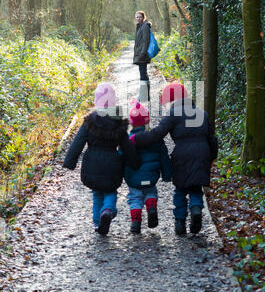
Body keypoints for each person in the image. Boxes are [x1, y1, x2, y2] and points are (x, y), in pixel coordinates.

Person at [129, 83, 218, 235]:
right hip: (202, 154)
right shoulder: (202, 113)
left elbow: (156, 134)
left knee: (180, 190)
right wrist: (212, 157)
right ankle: (196, 210)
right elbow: (212, 139)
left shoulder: (173, 115)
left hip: (182, 156)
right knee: (196, 188)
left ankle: (180, 223)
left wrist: (135, 139)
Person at [62, 83, 141, 235]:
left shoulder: (90, 121)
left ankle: (98, 223)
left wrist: (69, 162)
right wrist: (135, 162)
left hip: (92, 164)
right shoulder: (118, 122)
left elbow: (78, 142)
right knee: (110, 191)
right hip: (112, 164)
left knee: (97, 193)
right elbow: (126, 146)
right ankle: (108, 211)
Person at [123, 99, 172, 234]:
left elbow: (120, 158)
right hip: (151, 177)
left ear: (131, 122)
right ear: (147, 121)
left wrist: (117, 175)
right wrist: (167, 175)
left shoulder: (127, 141)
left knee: (135, 198)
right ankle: (151, 207)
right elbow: (164, 157)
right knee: (151, 192)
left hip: (133, 178)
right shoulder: (155, 138)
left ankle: (136, 223)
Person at [133, 11, 151, 102]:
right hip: (141, 54)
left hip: (142, 55)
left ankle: (144, 95)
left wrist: (142, 54)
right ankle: (145, 95)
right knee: (143, 74)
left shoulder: (145, 26)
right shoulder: (140, 26)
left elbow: (145, 41)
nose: (138, 18)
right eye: (137, 17)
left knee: (143, 74)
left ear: (143, 17)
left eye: (140, 17)